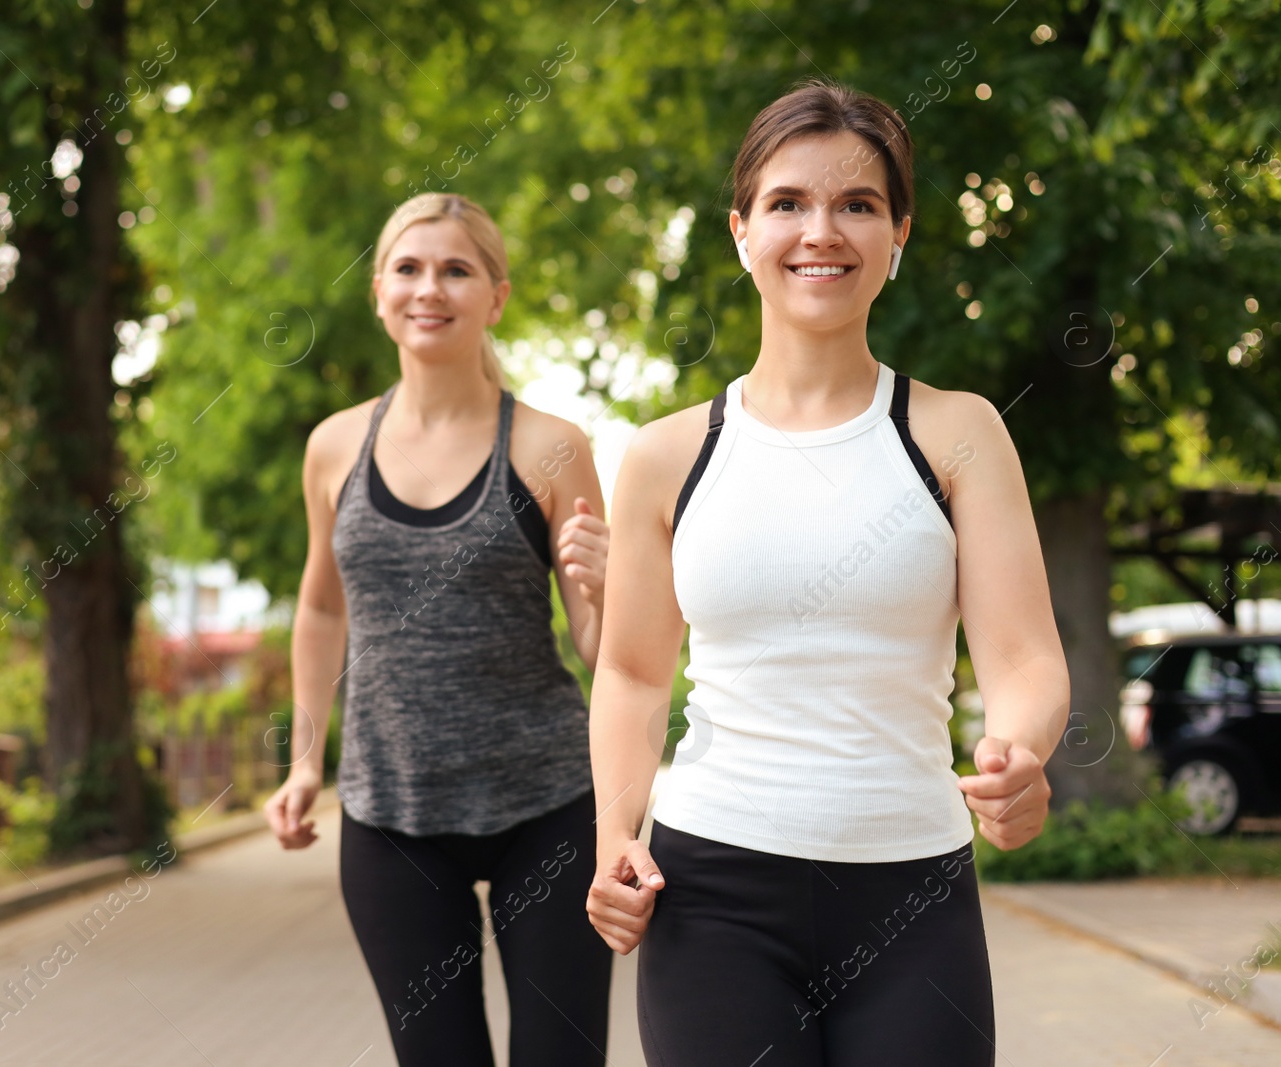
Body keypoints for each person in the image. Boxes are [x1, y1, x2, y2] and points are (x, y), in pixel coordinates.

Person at [584, 80, 1070, 1066]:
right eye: (788, 203)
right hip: (710, 894)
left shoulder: (959, 433)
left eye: (856, 203)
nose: (822, 230)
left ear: (897, 234)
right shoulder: (665, 455)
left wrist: (1016, 748)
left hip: (911, 891)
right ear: (740, 231)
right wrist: (612, 834)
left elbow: (1022, 656)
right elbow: (634, 672)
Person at [264, 192, 614, 1066]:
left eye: (457, 269)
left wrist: (612, 587)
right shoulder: (335, 446)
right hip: (392, 813)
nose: (432, 288)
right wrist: (307, 759)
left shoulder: (551, 447)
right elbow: (320, 607)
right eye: (410, 269)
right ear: (379, 291)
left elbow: (608, 652)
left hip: (550, 803)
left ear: (495, 296)